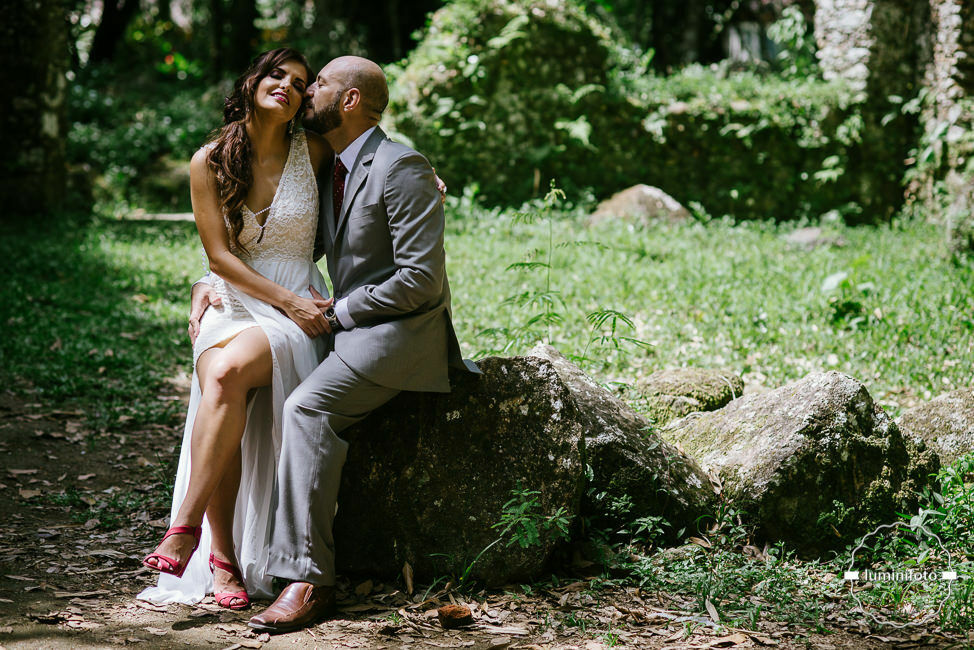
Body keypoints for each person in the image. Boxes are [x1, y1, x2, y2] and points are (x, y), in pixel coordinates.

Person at [189, 55, 479, 633]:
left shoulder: (401, 166)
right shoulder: (332, 164)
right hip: (337, 323)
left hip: (398, 334)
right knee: (234, 370)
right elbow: (274, 240)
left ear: (348, 101)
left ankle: (308, 580)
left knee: (307, 408)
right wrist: (207, 281)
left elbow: (421, 280)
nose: (304, 92)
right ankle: (222, 549)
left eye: (315, 83)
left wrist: (339, 311)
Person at [138, 47, 339, 609]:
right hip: (234, 297)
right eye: (277, 75)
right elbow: (220, 257)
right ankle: (221, 558)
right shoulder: (209, 160)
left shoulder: (315, 150)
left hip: (297, 298)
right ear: (252, 81)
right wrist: (206, 285)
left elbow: (373, 163)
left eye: (299, 83)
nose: (288, 86)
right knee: (222, 384)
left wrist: (420, 179)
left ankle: (184, 528)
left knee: (225, 373)